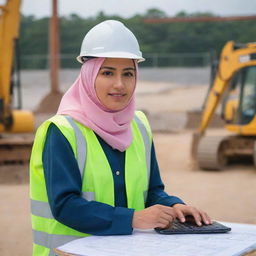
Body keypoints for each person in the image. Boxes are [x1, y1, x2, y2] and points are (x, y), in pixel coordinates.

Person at [30, 20, 212, 256]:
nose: (119, 84)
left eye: (128, 73)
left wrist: (174, 206)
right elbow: (65, 205)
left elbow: (152, 191)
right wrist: (134, 218)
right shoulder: (62, 131)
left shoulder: (139, 125)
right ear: (88, 75)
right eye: (107, 73)